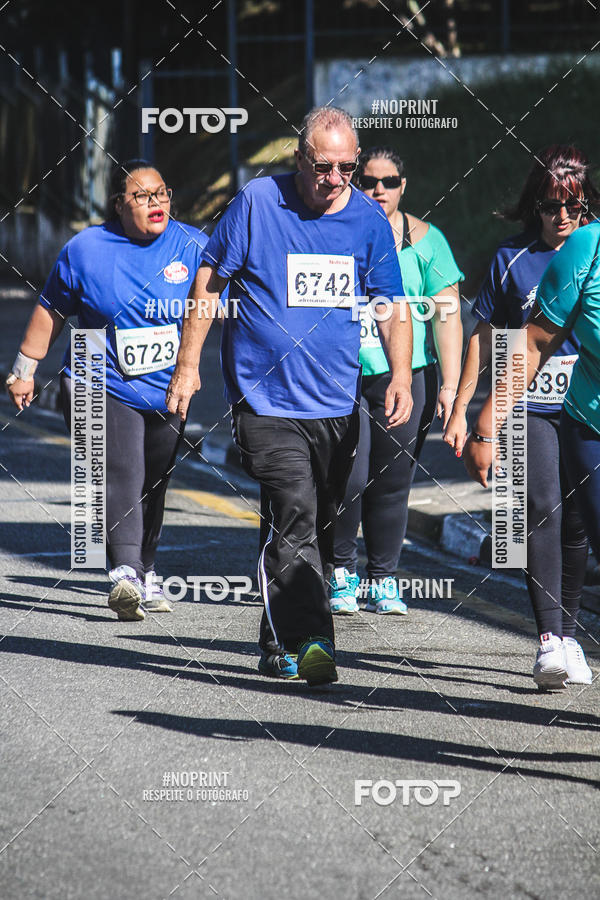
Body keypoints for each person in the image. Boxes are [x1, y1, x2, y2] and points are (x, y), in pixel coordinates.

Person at [166, 107, 413, 685]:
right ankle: (314, 642)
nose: (336, 179)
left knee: (311, 522)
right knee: (296, 507)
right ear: (299, 157)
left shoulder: (367, 222)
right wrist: (187, 365)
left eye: (347, 168)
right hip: (264, 400)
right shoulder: (257, 202)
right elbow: (209, 281)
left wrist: (399, 375)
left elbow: (391, 304)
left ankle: (275, 641)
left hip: (334, 402)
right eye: (324, 166)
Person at [6, 160, 207, 621]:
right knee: (122, 469)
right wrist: (24, 368)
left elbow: (221, 300)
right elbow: (51, 310)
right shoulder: (86, 250)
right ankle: (125, 573)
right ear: (119, 204)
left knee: (154, 480)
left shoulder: (193, 245)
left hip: (167, 385)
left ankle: (144, 569)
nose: (156, 203)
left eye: (162, 193)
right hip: (97, 371)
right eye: (142, 196)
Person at [453, 145, 599, 689]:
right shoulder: (510, 259)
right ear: (532, 206)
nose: (562, 217)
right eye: (549, 205)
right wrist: (467, 408)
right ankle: (548, 640)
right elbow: (486, 336)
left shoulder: (594, 248)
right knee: (541, 508)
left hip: (583, 405)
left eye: (574, 207)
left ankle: (571, 632)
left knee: (581, 522)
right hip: (528, 403)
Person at [330, 147, 463, 615]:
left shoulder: (428, 241)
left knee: (391, 478)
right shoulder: (333, 229)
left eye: (388, 182)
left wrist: (451, 386)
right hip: (340, 374)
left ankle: (382, 578)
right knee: (349, 475)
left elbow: (447, 315)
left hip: (404, 377)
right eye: (368, 180)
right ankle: (340, 571)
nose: (378, 190)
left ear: (403, 186)